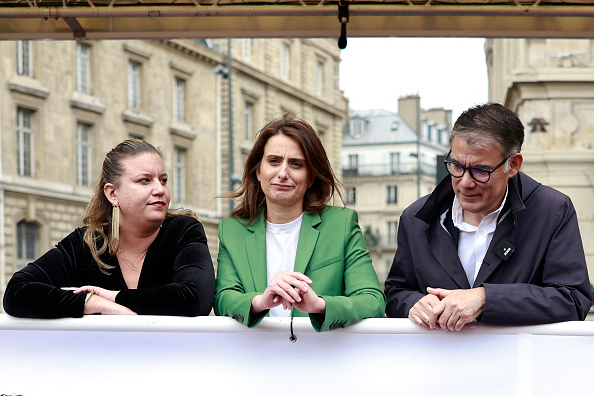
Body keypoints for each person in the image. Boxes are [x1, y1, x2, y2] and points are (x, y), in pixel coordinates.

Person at [385, 103, 593, 331]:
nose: (465, 182)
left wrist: (485, 299)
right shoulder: (415, 217)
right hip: (439, 362)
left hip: (519, 363)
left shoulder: (552, 210)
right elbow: (396, 293)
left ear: (513, 165)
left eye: (481, 170)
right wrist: (413, 304)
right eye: (456, 165)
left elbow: (573, 299)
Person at [3, 139, 216, 318]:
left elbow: (196, 299)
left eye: (163, 180)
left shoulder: (184, 231)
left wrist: (114, 296)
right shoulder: (87, 243)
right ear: (112, 193)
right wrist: (95, 303)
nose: (159, 189)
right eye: (145, 180)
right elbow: (16, 292)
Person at [215, 114, 385, 332]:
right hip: (255, 359)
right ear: (258, 171)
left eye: (296, 164)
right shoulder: (232, 230)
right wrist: (261, 301)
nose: (283, 173)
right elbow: (223, 299)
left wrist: (319, 305)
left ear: (311, 177)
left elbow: (373, 301)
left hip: (322, 357)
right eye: (274, 161)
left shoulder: (341, 224)